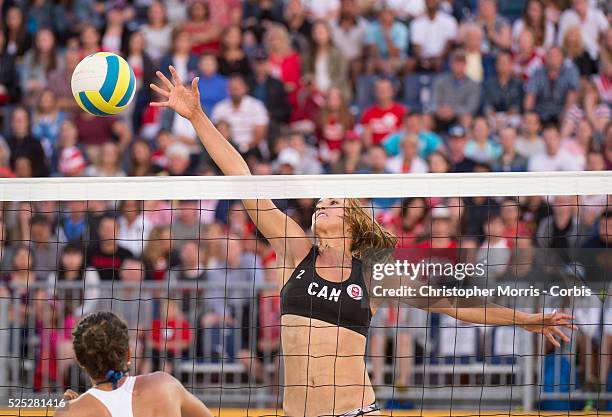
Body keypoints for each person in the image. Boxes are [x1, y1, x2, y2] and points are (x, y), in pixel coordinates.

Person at [150, 65, 575, 417]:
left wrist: (525, 319)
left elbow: (451, 304)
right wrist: (197, 118)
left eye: (332, 201)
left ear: (352, 220)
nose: (321, 205)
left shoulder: (372, 274)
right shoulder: (297, 248)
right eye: (320, 201)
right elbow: (243, 181)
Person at [54, 311, 213, 417]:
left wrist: (67, 407)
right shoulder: (165, 384)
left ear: (80, 361)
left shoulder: (71, 412)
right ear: (129, 353)